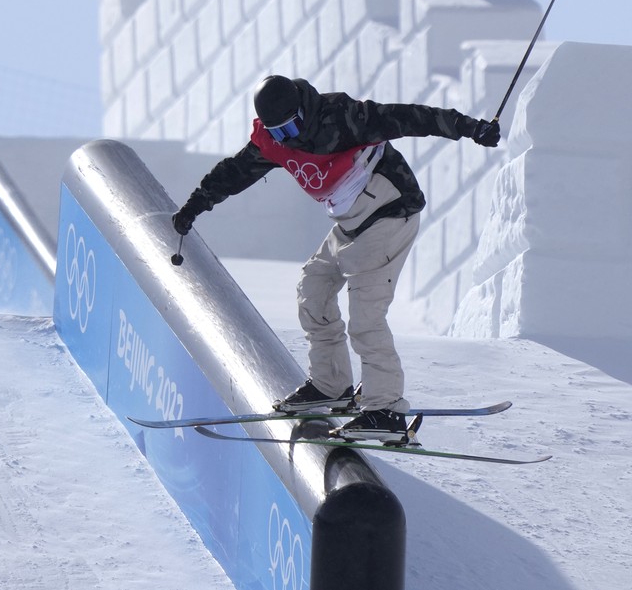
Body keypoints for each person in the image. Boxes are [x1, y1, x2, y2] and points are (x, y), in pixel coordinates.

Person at [172, 75, 500, 441]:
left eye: (293, 127)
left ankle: (386, 410)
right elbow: (233, 173)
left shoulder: (343, 117)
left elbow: (412, 117)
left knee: (366, 316)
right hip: (350, 221)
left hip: (391, 211)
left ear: (303, 110)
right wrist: (194, 207)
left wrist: (470, 128)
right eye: (278, 132)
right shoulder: (273, 143)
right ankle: (331, 385)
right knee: (313, 289)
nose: (289, 138)